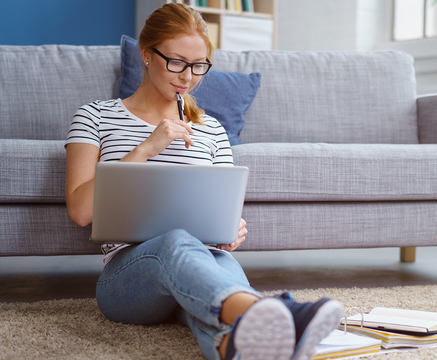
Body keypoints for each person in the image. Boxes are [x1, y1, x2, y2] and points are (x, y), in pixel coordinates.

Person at [64, 3, 342, 360]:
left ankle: (247, 346)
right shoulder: (95, 115)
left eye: (199, 66)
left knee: (218, 273)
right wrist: (145, 149)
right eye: (176, 62)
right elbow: (81, 211)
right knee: (176, 240)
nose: (187, 77)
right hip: (127, 280)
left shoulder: (211, 130)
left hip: (201, 267)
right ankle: (273, 312)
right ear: (146, 55)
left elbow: (223, 209)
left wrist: (231, 231)